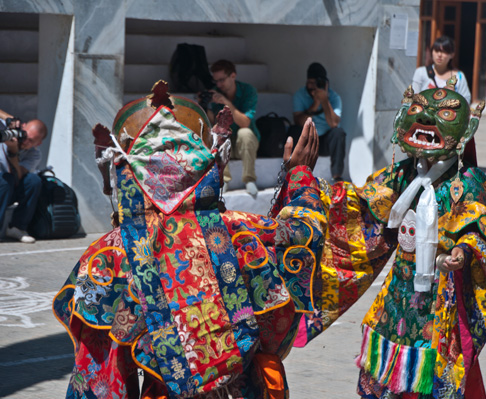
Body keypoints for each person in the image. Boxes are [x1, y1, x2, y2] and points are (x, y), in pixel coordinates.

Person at [54, 83, 338, 399]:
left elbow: (100, 378)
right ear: (206, 162)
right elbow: (300, 237)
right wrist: (298, 176)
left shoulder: (107, 256)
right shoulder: (240, 232)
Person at [285, 81, 486, 398]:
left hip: (440, 295)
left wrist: (463, 252)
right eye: (420, 112)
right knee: (387, 371)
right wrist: (306, 183)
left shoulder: (466, 182)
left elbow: (480, 229)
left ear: (465, 131)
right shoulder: (401, 175)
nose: (427, 121)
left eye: (442, 115)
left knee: (435, 373)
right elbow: (358, 206)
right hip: (399, 292)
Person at [412, 35, 477, 166]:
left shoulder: (459, 76)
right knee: (422, 164)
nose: (439, 55)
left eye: (444, 51)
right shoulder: (421, 73)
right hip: (426, 128)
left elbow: (465, 103)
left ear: (452, 54)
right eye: (437, 51)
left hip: (448, 130)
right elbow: (413, 99)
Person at [205, 59, 260, 195]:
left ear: (233, 76)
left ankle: (249, 180)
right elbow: (211, 126)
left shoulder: (248, 91)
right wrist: (206, 106)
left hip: (245, 145)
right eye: (216, 81)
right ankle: (223, 179)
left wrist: (226, 102)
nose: (218, 84)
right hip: (226, 145)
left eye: (222, 80)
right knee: (217, 132)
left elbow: (245, 122)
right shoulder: (215, 93)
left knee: (245, 132)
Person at [292, 62, 346, 182]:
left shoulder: (334, 97)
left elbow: (334, 124)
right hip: (308, 139)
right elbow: (298, 121)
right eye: (309, 83)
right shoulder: (300, 95)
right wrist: (315, 105)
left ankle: (337, 177)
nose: (312, 87)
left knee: (338, 133)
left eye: (315, 83)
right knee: (294, 130)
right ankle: (295, 174)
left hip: (325, 141)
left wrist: (324, 100)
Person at [0, 110, 47, 243]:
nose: (24, 140)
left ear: (38, 144)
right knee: (4, 180)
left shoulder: (34, 154)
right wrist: (10, 119)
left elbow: (18, 177)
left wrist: (13, 151)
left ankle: (17, 227)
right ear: (23, 126)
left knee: (33, 180)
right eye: (24, 134)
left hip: (9, 187)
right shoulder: (7, 128)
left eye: (30, 140)